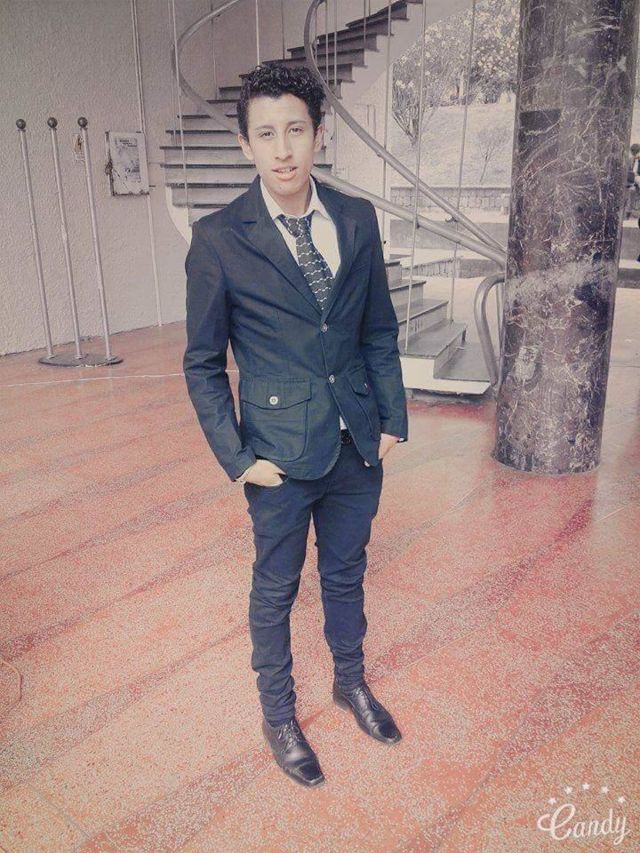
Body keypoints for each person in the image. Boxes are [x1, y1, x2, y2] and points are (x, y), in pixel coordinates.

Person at [183, 63, 409, 788]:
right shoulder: (219, 238)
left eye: (295, 131)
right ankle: (278, 713)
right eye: (265, 134)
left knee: (346, 571)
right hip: (276, 453)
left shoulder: (356, 219)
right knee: (276, 587)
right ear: (245, 144)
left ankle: (350, 681)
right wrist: (237, 457)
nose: (282, 150)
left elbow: (378, 328)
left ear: (318, 134)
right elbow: (202, 363)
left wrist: (391, 417)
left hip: (356, 441)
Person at [624, 142, 640, 218]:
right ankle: (628, 212)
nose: (634, 153)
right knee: (631, 192)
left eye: (636, 151)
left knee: (632, 192)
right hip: (630, 181)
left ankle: (629, 212)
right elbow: (627, 171)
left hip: (636, 181)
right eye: (633, 151)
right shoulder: (629, 160)